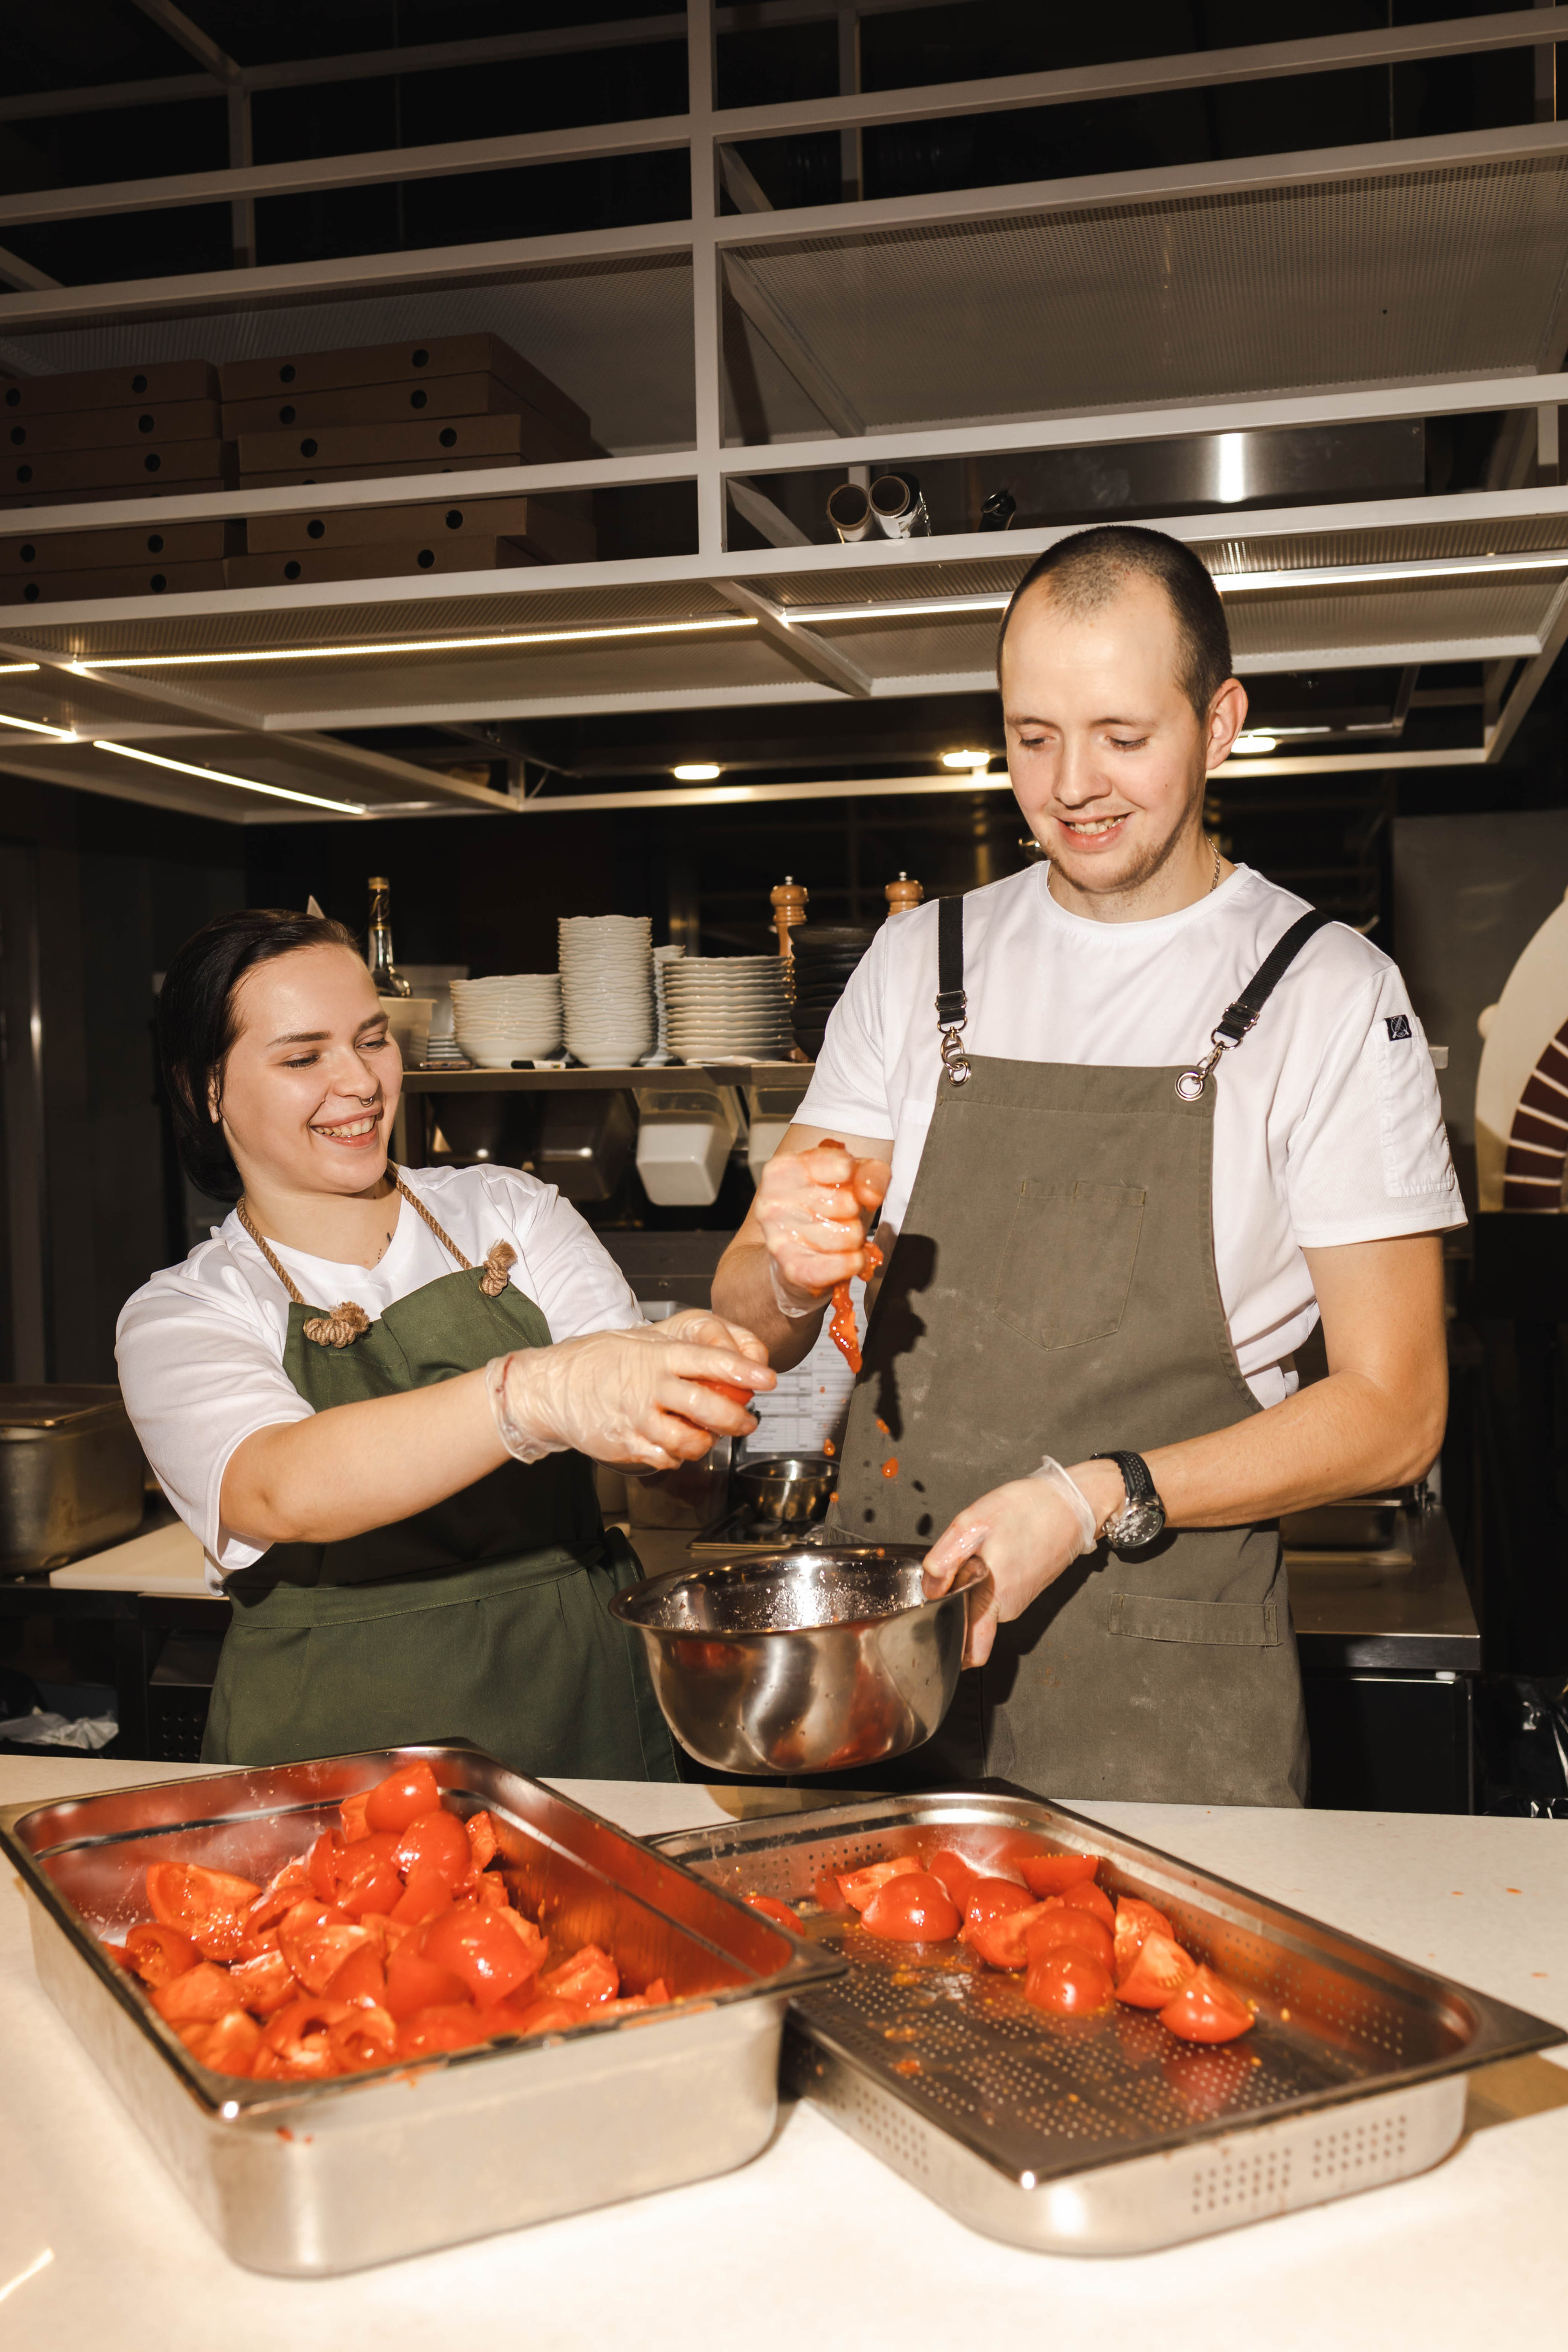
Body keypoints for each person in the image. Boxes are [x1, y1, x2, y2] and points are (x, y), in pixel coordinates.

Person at [713, 524, 1461, 1805]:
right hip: (896, 1668)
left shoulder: (1324, 993)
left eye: (1122, 735)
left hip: (1165, 1689)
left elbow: (1395, 1414)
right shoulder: (919, 965)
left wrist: (1091, 1495)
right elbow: (755, 1319)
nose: (1070, 786)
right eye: (1031, 736)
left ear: (1218, 724)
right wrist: (784, 1277)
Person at [119, 907, 771, 1781]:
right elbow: (279, 1487)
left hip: (575, 1704)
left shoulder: (508, 1211)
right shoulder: (185, 1311)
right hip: (340, 1750)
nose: (358, 1083)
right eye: (303, 1057)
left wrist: (689, 1370)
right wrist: (526, 1396)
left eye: (372, 1040)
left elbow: (627, 1415)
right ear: (207, 1087)